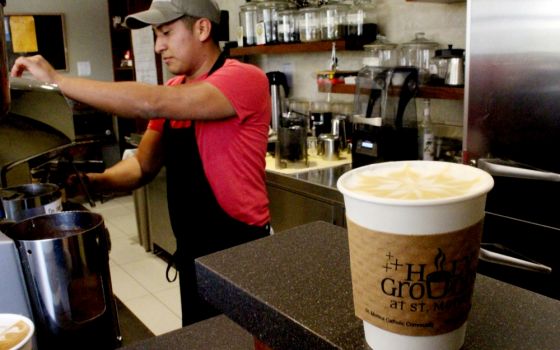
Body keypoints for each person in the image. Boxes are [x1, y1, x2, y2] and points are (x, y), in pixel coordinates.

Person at [11, 0, 272, 326]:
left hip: (241, 250)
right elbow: (142, 166)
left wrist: (58, 81)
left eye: (166, 33)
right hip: (192, 250)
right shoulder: (176, 88)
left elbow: (150, 102)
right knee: (203, 337)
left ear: (202, 28)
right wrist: (94, 181)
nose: (159, 46)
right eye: (156, 35)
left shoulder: (244, 78)